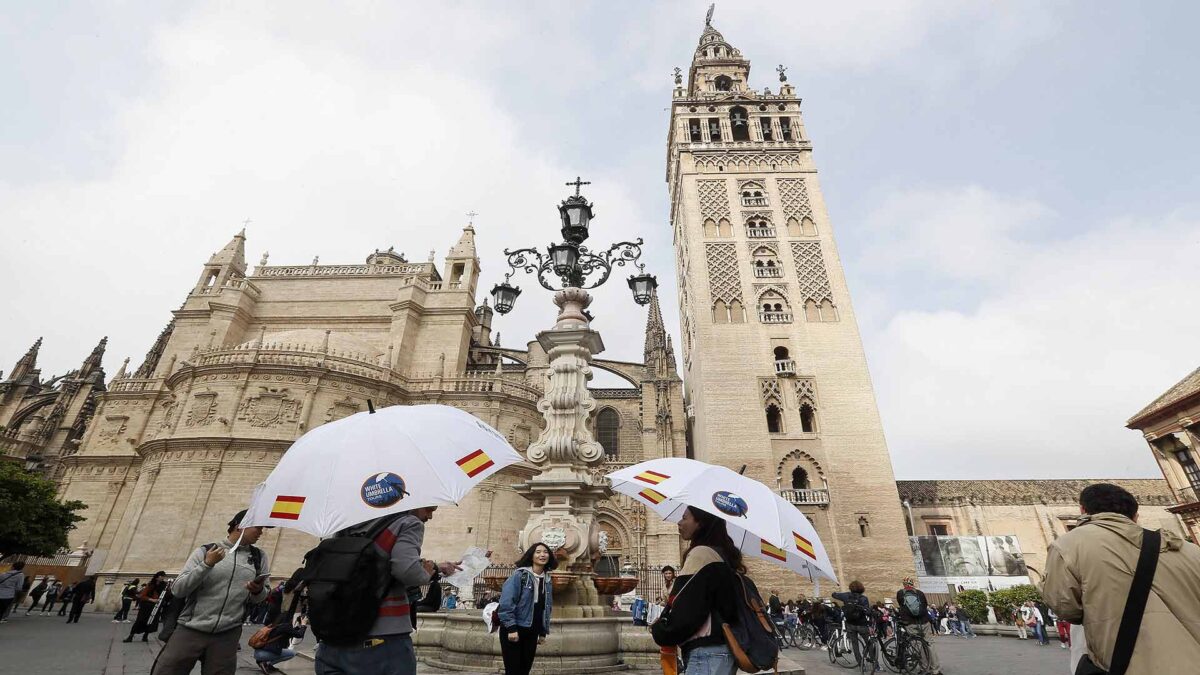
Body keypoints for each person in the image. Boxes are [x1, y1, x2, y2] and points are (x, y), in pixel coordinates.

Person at [1044, 482, 1200, 673]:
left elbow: (1067, 609)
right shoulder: (1188, 549)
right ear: (1136, 515)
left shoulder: (1068, 546)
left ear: (1083, 510)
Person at [313, 506, 459, 675]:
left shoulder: (348, 526)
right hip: (383, 637)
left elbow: (376, 562)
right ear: (412, 502)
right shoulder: (408, 523)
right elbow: (407, 571)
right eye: (428, 509)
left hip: (334, 637)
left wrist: (436, 567)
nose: (430, 516)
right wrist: (426, 572)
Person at [150, 510, 270, 675]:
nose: (261, 532)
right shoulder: (206, 550)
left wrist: (258, 591)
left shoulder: (259, 557)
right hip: (191, 629)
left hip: (228, 635)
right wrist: (206, 565)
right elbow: (178, 589)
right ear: (240, 526)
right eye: (258, 527)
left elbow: (261, 598)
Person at [650, 506, 740, 675]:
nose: (679, 522)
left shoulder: (701, 555)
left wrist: (660, 630)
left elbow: (685, 613)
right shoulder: (721, 554)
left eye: (685, 518)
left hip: (705, 653)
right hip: (722, 652)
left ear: (700, 523)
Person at [496, 542, 556, 675]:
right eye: (538, 552)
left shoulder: (547, 579)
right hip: (515, 628)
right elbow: (506, 604)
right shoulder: (520, 575)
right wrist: (511, 628)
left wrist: (542, 631)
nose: (542, 555)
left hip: (532, 630)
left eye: (545, 552)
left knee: (525, 670)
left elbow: (546, 606)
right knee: (513, 670)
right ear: (531, 555)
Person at [254, 577, 307, 675]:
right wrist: (303, 625)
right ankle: (267, 662)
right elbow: (299, 635)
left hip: (258, 651)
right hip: (264, 654)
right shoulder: (286, 626)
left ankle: (265, 661)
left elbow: (290, 632)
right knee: (292, 653)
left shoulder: (274, 624)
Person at [895, 578, 942, 675]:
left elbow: (901, 606)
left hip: (910, 623)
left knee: (918, 646)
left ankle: (925, 668)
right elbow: (924, 606)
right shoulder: (920, 593)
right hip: (924, 622)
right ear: (913, 584)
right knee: (930, 644)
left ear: (904, 584)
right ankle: (936, 669)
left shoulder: (900, 593)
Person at [833, 580, 873, 668]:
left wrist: (836, 589)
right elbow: (867, 612)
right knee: (869, 643)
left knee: (855, 645)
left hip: (850, 624)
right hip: (862, 624)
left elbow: (834, 594)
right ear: (861, 588)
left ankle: (860, 664)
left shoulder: (846, 596)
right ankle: (875, 663)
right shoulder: (863, 598)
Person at [124, 571, 167, 642]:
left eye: (163, 576)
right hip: (146, 606)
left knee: (151, 622)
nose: (163, 578)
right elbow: (143, 596)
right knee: (140, 620)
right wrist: (152, 599)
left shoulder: (164, 586)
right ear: (157, 577)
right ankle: (131, 636)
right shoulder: (150, 585)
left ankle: (145, 636)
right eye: (161, 576)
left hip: (155, 607)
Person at [657, 565, 679, 675]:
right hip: (667, 614)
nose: (668, 575)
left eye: (670, 573)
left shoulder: (676, 583)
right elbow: (664, 601)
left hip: (675, 613)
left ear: (673, 573)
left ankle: (676, 664)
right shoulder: (664, 586)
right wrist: (658, 603)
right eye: (666, 573)